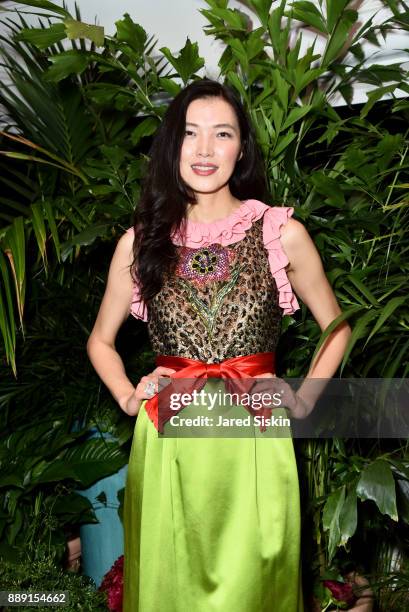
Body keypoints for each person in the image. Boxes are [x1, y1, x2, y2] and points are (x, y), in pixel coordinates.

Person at [86, 78, 351, 612]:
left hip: (255, 439)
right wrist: (127, 396)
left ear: (241, 148)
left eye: (222, 133)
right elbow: (100, 341)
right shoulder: (140, 241)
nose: (205, 150)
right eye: (190, 133)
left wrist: (301, 400)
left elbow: (338, 327)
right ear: (171, 146)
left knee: (257, 589)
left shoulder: (279, 232)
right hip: (169, 441)